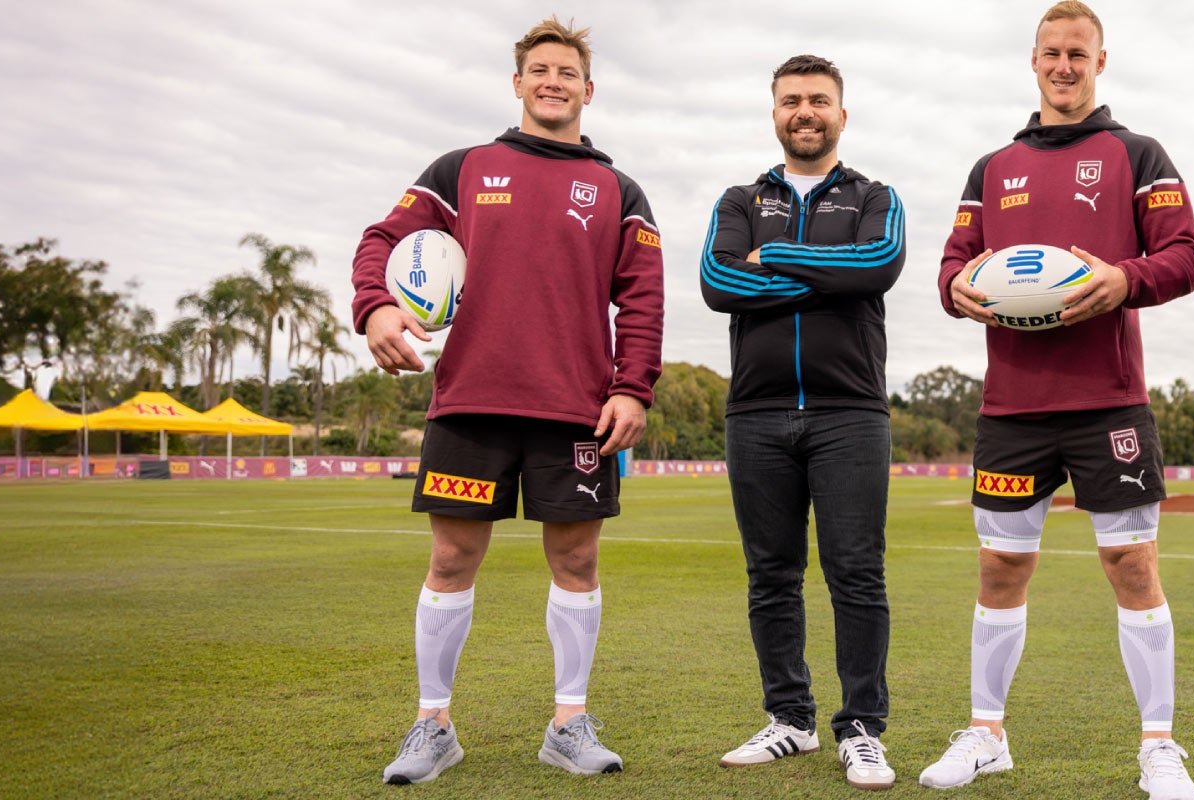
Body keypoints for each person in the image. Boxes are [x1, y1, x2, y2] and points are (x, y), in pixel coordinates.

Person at [344, 15, 664, 786]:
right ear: (517, 82)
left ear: (589, 90)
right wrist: (375, 307)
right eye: (540, 70)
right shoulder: (462, 168)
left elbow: (643, 299)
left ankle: (569, 722)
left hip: (576, 410)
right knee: (451, 558)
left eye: (568, 73)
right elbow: (380, 242)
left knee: (577, 560)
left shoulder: (617, 188)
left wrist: (633, 387)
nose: (554, 82)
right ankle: (432, 726)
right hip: (472, 403)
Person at [924, 3, 1194, 797]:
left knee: (1131, 564)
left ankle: (1158, 745)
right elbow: (952, 266)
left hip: (1109, 402)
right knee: (1001, 569)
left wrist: (1124, 280)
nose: (1064, 66)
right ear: (1034, 61)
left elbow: (1186, 257)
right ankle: (986, 735)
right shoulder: (993, 167)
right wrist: (959, 291)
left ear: (1100, 61)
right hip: (1012, 406)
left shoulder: (1137, 153)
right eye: (1051, 53)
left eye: (1078, 54)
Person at [698, 53, 908, 791]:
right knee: (771, 577)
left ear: (841, 115)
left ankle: (860, 729)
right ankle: (790, 719)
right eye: (791, 100)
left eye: (818, 99)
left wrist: (775, 261)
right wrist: (825, 271)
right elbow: (718, 282)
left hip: (849, 411)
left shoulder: (876, 196)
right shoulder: (738, 198)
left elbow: (877, 266)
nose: (805, 111)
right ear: (776, 113)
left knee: (856, 574)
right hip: (756, 413)